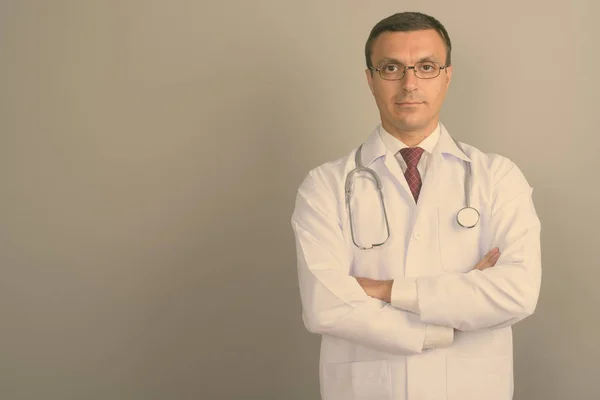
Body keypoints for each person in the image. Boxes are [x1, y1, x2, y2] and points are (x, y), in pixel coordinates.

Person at [290, 11, 542, 400]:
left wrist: (386, 290)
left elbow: (516, 293)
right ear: (369, 78)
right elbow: (326, 305)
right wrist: (445, 324)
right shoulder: (324, 186)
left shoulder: (498, 177)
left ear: (447, 76)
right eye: (392, 68)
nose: (410, 84)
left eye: (426, 67)